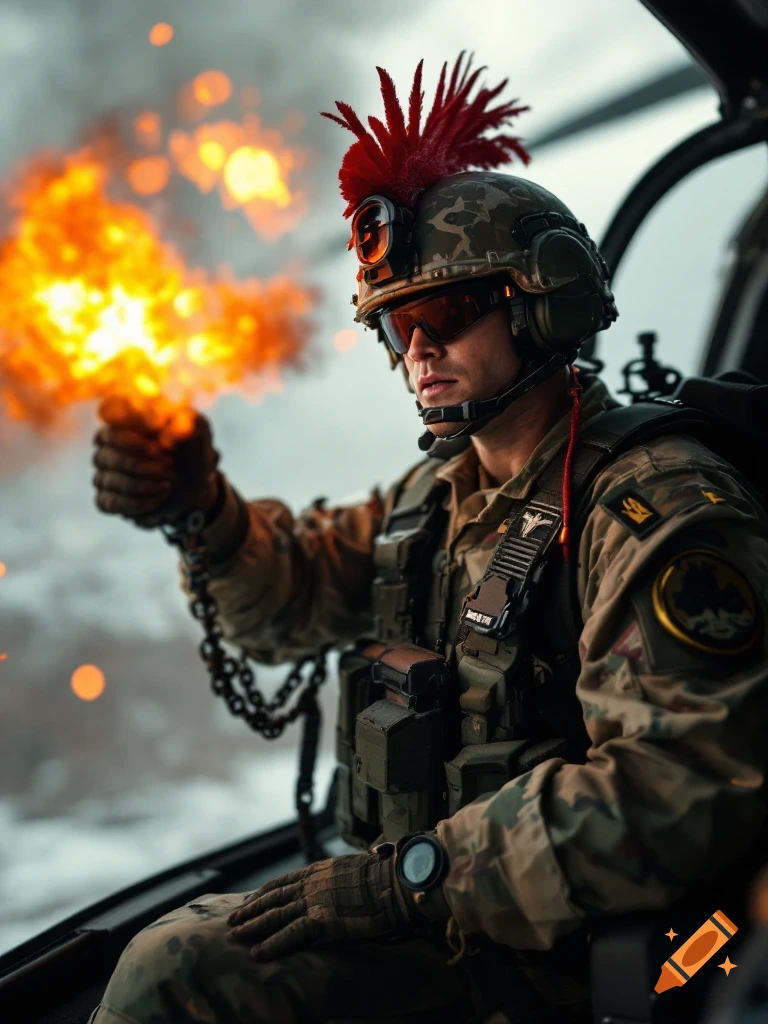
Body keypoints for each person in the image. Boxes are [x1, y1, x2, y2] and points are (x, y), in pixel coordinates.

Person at [88, 55, 768, 1024]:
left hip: (577, 959)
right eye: (396, 324)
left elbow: (684, 782)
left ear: (545, 303)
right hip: (448, 914)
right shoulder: (438, 494)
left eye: (445, 313)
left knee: (181, 972)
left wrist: (412, 876)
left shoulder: (654, 511)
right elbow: (293, 596)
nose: (418, 349)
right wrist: (204, 510)